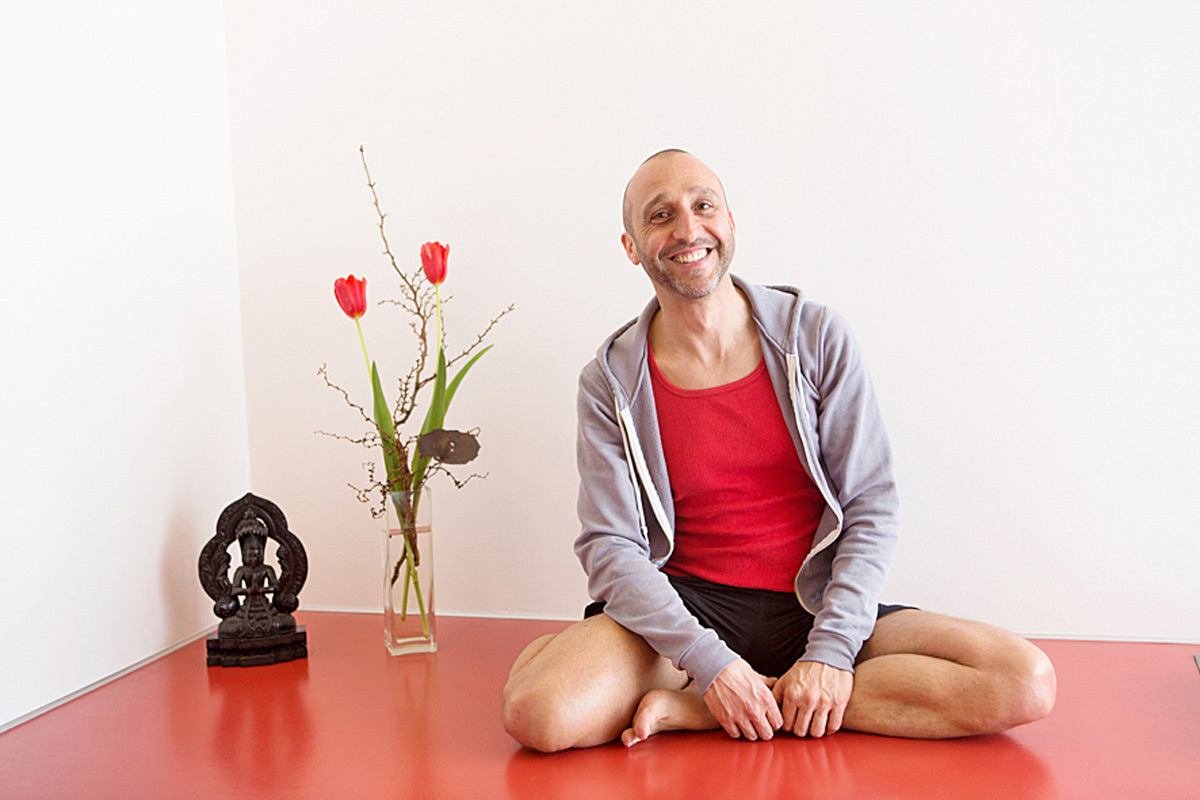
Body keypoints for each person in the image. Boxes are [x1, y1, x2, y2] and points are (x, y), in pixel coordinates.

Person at [502, 149, 1056, 752]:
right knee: (539, 715)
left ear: (730, 221)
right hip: (686, 614)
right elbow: (610, 545)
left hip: (814, 603)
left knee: (1024, 682)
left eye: (703, 206)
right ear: (633, 246)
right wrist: (710, 661)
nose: (688, 229)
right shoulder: (610, 381)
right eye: (660, 216)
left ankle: (711, 709)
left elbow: (870, 503)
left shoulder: (816, 337)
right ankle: (717, 686)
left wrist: (833, 652)